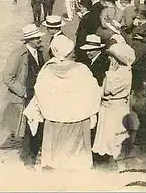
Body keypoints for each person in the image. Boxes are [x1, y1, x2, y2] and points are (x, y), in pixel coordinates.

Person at [24, 35, 101, 170]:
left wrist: (51, 109)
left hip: (54, 121)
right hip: (78, 120)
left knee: (55, 157)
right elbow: (93, 92)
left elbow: (40, 93)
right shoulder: (81, 69)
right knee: (76, 159)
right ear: (69, 51)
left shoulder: (47, 71)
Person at [1, 24, 46, 168]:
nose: (40, 39)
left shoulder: (40, 52)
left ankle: (33, 154)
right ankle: (27, 159)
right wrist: (23, 91)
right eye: (37, 38)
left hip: (38, 95)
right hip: (25, 97)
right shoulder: (18, 54)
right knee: (27, 128)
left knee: (38, 126)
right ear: (29, 39)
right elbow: (8, 78)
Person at [92, 43, 136, 166]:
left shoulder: (121, 74)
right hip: (110, 108)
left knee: (111, 138)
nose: (109, 59)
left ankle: (112, 164)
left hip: (115, 110)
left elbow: (107, 90)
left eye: (112, 57)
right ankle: (108, 160)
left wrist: (110, 73)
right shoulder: (119, 72)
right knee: (108, 137)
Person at [74, 0, 93, 64]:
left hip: (82, 45)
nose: (80, 9)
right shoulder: (91, 15)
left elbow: (81, 35)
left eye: (81, 7)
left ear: (85, 8)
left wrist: (77, 48)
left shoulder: (84, 19)